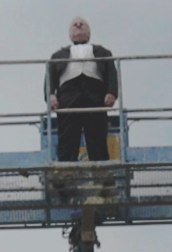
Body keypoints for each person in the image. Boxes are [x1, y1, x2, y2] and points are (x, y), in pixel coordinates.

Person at [46, 17, 118, 163]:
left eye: (82, 24)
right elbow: (49, 79)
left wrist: (112, 92)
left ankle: (102, 175)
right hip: (68, 96)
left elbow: (112, 74)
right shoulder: (58, 56)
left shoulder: (102, 52)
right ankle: (65, 174)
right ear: (70, 33)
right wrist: (50, 96)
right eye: (74, 24)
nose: (78, 25)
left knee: (97, 135)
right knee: (67, 136)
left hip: (95, 94)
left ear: (89, 33)